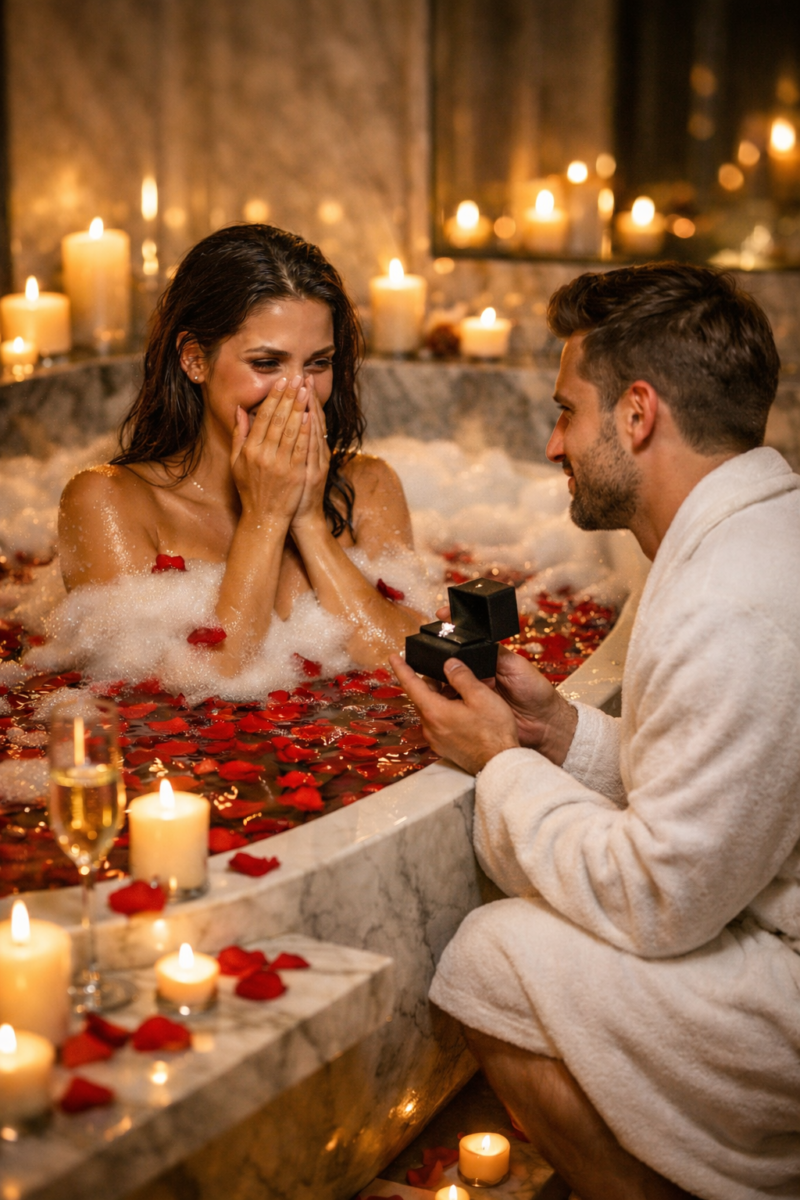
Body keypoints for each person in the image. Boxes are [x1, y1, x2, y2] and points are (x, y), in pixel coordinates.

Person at [391, 263, 800, 1200]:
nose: (550, 443)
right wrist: (558, 730)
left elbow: (659, 898)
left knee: (494, 958)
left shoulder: (726, 604)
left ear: (637, 414)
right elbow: (722, 782)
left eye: (567, 410)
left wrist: (498, 761)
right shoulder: (753, 535)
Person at [59, 224, 421, 677]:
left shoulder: (369, 486)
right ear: (194, 359)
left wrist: (307, 518)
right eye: (266, 363)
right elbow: (195, 685)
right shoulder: (109, 502)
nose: (297, 392)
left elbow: (411, 664)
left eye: (318, 363)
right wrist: (266, 517)